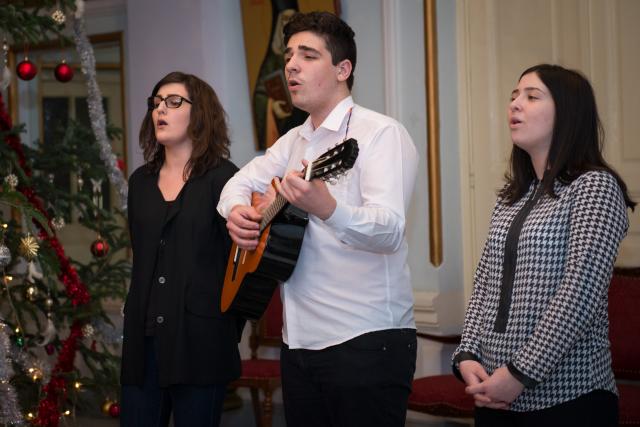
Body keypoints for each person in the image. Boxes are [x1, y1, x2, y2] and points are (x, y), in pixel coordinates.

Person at [217, 11, 419, 427]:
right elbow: (234, 185)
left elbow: (390, 229)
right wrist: (238, 213)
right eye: (289, 55)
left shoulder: (380, 134)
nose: (290, 64)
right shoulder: (293, 141)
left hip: (365, 340)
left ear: (343, 69)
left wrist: (328, 207)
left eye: (307, 55)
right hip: (299, 341)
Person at [452, 64, 635, 427]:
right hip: (494, 393)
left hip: (568, 398)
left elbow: (580, 293)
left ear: (567, 114)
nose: (515, 104)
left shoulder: (594, 187)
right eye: (514, 96)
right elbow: (486, 283)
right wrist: (467, 355)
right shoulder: (511, 196)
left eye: (531, 96)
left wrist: (520, 374)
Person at [121, 71, 241, 427]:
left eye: (174, 102)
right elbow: (143, 257)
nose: (161, 109)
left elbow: (240, 265)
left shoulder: (226, 179)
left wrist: (222, 327)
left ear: (199, 112)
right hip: (143, 344)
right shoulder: (140, 182)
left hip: (200, 342)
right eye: (156, 102)